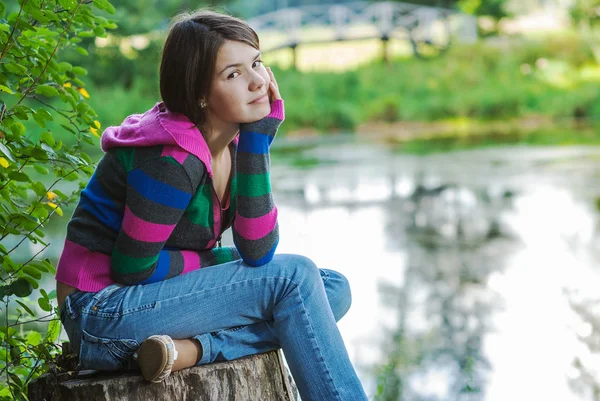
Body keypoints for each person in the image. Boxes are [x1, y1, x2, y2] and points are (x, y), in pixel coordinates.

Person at [55, 9, 368, 401]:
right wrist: (217, 261)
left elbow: (257, 250)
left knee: (331, 288)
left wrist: (257, 141)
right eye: (233, 74)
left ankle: (193, 351)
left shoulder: (232, 144)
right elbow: (132, 268)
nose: (257, 82)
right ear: (200, 94)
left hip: (145, 301)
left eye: (256, 63)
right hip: (101, 311)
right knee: (296, 280)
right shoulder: (171, 162)